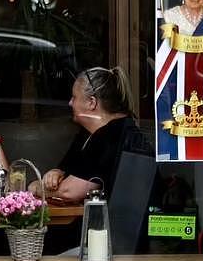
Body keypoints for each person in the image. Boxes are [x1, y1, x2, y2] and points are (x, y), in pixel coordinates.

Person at [36, 66, 152, 202]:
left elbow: (69, 191)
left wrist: (35, 188)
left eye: (74, 97)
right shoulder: (88, 134)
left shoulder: (112, 134)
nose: (70, 103)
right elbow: (65, 171)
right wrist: (56, 173)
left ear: (91, 103)